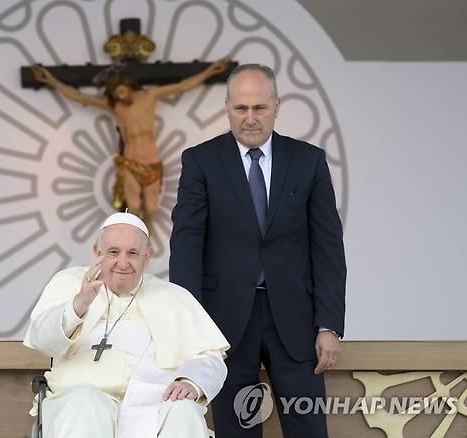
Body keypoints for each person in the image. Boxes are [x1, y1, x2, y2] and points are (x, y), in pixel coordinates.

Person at [169, 64, 347, 437]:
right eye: (241, 108)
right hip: (225, 323)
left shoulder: (308, 161)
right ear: (227, 107)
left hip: (297, 321)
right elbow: (186, 246)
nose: (250, 118)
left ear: (277, 106)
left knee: (309, 429)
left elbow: (327, 247)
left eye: (260, 108)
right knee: (237, 430)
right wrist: (191, 329)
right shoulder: (200, 161)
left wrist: (329, 324)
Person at [24, 212, 230, 438]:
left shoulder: (174, 297)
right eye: (113, 252)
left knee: (184, 411)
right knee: (87, 402)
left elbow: (210, 356)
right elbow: (42, 340)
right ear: (97, 252)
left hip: (154, 407)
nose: (123, 262)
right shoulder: (70, 283)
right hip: (78, 401)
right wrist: (80, 303)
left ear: (147, 256)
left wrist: (191, 381)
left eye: (133, 253)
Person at [32, 59, 229, 232]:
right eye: (116, 94)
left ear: (129, 86)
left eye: (122, 91)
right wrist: (52, 80)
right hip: (130, 163)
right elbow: (80, 97)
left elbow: (183, 86)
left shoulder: (150, 96)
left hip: (152, 163)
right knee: (133, 207)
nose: (121, 97)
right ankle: (134, 238)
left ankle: (146, 233)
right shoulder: (116, 106)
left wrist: (210, 70)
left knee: (151, 209)